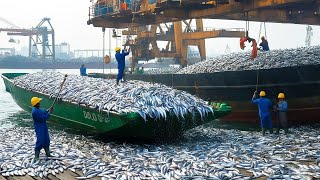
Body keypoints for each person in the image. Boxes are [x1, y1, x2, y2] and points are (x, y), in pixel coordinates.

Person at [31, 97, 53, 161]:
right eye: (39, 102)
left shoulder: (38, 109)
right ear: (36, 104)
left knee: (46, 139)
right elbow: (43, 118)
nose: (40, 103)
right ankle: (36, 156)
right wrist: (49, 113)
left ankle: (47, 153)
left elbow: (44, 112)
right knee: (40, 140)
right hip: (39, 127)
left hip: (44, 126)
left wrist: (48, 110)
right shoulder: (34, 111)